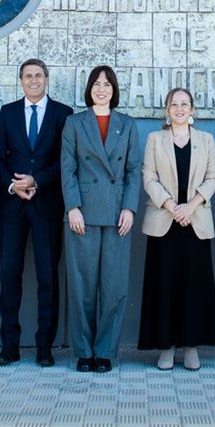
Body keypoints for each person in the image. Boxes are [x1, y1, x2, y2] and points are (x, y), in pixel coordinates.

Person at [61, 65, 142, 373]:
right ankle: (83, 352)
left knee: (113, 285)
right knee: (82, 284)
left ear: (114, 89)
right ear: (89, 89)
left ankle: (105, 351)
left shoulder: (128, 124)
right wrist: (72, 208)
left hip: (117, 212)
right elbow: (67, 168)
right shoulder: (74, 123)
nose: (102, 88)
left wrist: (129, 208)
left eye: (107, 84)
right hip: (83, 212)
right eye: (96, 83)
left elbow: (133, 170)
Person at [0, 59, 73, 367]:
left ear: (46, 79)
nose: (34, 80)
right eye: (28, 76)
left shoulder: (62, 114)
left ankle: (44, 347)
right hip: (13, 205)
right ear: (21, 80)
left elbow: (65, 160)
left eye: (39, 75)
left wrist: (37, 180)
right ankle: (9, 346)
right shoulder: (8, 112)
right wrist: (15, 186)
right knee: (9, 276)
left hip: (47, 205)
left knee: (47, 277)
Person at [138, 87, 215, 371]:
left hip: (195, 221)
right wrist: (172, 206)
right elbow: (148, 177)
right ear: (166, 109)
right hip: (165, 221)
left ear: (193, 109)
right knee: (164, 286)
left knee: (194, 287)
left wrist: (191, 206)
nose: (179, 108)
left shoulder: (206, 140)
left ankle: (190, 346)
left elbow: (214, 176)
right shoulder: (154, 139)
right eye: (174, 104)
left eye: (184, 103)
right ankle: (166, 348)